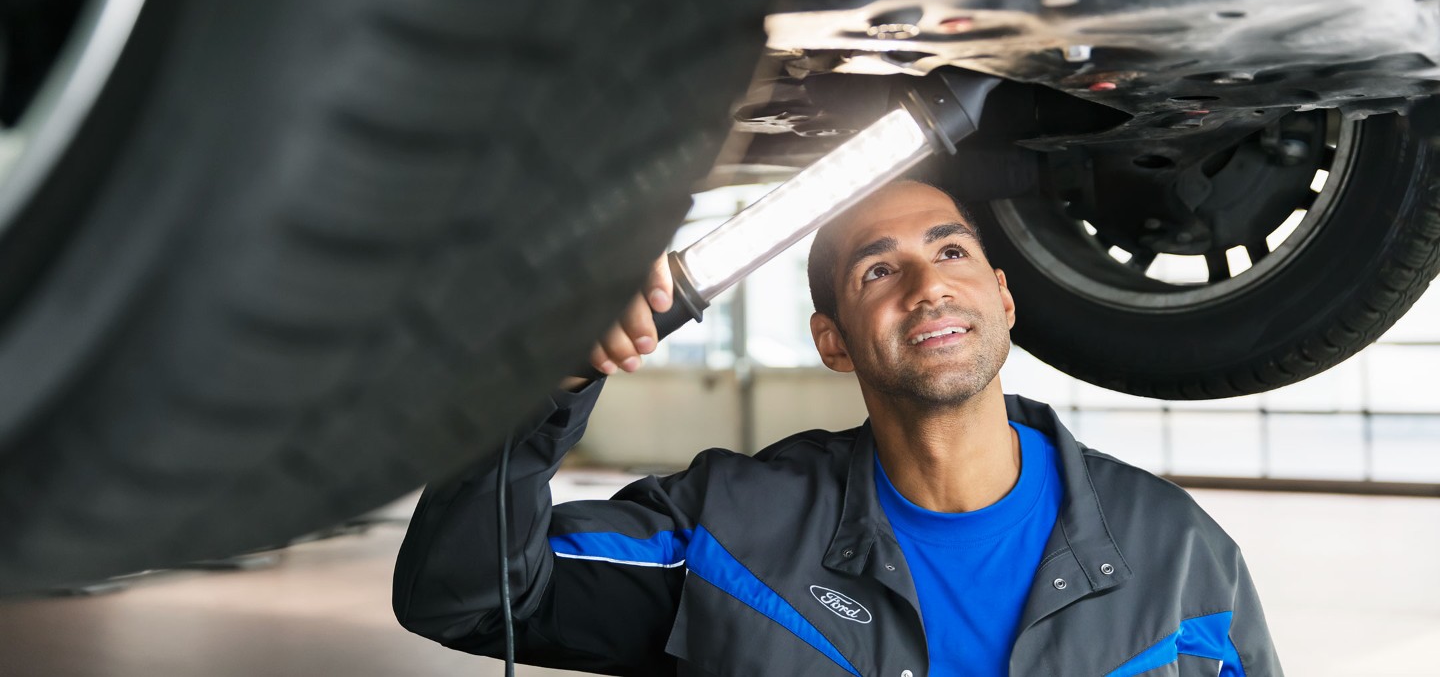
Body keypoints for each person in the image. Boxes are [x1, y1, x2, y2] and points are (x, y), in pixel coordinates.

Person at [393, 179, 1282, 676]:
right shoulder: (730, 534)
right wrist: (547, 380)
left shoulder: (1182, 557)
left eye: (950, 252)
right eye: (876, 272)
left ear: (1003, 300)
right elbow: (470, 595)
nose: (927, 286)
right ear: (833, 341)